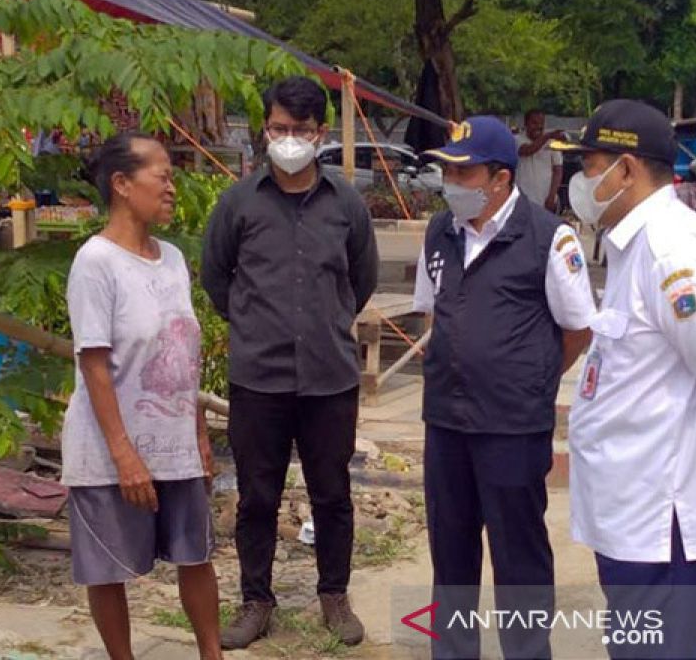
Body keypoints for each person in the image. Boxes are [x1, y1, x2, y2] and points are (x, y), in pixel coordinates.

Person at [552, 99, 696, 660]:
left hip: (663, 518)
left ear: (625, 169)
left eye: (589, 165)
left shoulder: (673, 248)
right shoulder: (633, 243)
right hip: (629, 509)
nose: (581, 180)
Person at [201, 76, 378, 650]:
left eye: (301, 130)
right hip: (259, 377)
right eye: (279, 128)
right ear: (265, 128)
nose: (289, 139)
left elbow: (362, 278)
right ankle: (256, 602)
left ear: (321, 134)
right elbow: (216, 278)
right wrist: (257, 326)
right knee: (257, 496)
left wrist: (324, 322)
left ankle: (333, 596)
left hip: (330, 377)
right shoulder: (239, 203)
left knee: (332, 492)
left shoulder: (346, 204)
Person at [412, 116, 596, 659]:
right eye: (448, 169)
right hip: (445, 421)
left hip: (512, 427)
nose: (451, 182)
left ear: (500, 177)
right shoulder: (440, 231)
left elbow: (578, 328)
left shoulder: (547, 238)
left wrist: (530, 380)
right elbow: (432, 312)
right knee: (451, 554)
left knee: (518, 557)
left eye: (463, 172)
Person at [62, 132, 222, 660]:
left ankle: (212, 655)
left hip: (174, 441)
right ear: (123, 184)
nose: (172, 187)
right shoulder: (95, 262)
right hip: (112, 450)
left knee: (197, 555)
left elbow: (182, 353)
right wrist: (124, 454)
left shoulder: (172, 258)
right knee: (109, 570)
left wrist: (197, 433)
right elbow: (94, 364)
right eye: (164, 175)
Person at [515, 109, 564, 211]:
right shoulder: (517, 139)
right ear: (526, 123)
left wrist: (552, 196)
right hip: (522, 200)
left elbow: (558, 170)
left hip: (545, 200)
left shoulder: (551, 142)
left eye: (541, 123)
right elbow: (527, 150)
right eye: (534, 123)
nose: (538, 126)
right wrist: (548, 136)